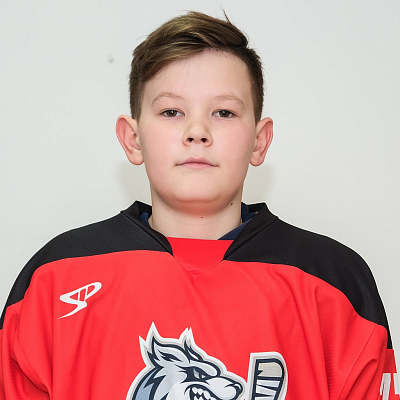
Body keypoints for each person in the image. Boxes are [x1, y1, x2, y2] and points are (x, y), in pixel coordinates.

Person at [0, 11, 398, 400]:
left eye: (224, 112)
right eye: (172, 112)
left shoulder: (334, 281)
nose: (197, 132)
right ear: (133, 140)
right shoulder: (54, 277)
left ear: (259, 141)